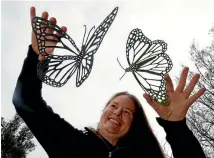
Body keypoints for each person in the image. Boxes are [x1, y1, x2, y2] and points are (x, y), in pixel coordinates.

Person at [12, 6, 206, 158]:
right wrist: (36, 56)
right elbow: (25, 102)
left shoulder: (144, 156)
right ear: (103, 111)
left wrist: (176, 127)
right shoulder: (71, 143)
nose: (117, 112)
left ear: (134, 124)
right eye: (113, 105)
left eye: (127, 112)